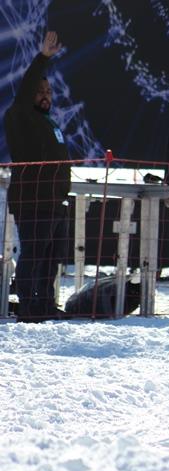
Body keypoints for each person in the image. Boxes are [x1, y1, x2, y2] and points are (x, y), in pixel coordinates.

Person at [3, 32, 71, 322]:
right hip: (33, 200)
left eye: (48, 92)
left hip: (54, 201)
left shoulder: (48, 122)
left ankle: (44, 304)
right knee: (34, 253)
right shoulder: (20, 116)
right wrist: (43, 58)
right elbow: (26, 89)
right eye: (39, 92)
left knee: (52, 258)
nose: (45, 96)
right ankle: (27, 306)